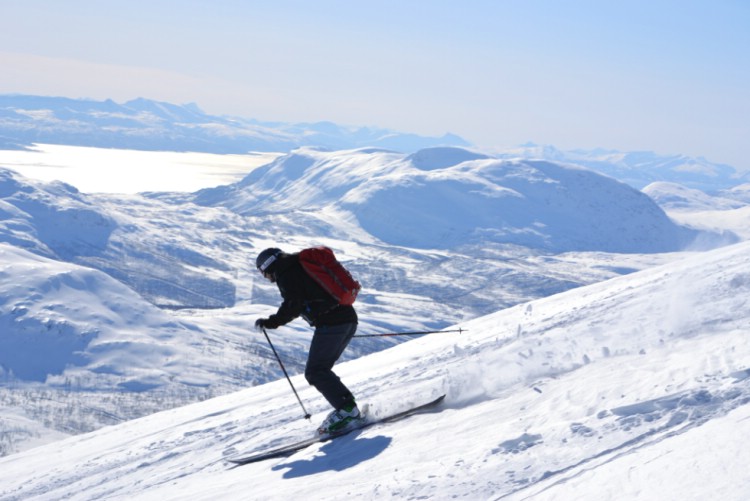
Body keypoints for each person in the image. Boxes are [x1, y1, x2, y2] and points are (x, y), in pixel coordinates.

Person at [254, 247, 362, 434]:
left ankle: (347, 410)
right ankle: (346, 407)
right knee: (319, 370)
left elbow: (293, 305)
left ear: (267, 267)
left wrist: (272, 322)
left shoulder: (286, 273)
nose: (265, 278)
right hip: (344, 320)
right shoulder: (296, 266)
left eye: (262, 273)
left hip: (333, 323)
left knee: (316, 371)